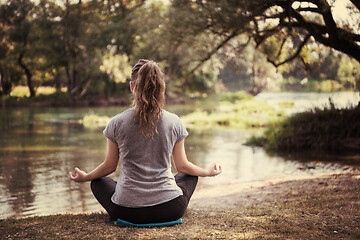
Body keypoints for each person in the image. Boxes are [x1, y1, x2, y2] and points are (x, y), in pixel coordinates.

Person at [69, 59, 222, 224]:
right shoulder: (174, 121)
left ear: (132, 86)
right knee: (190, 175)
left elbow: (109, 167)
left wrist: (86, 177)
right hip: (170, 209)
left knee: (98, 182)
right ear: (161, 88)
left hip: (126, 211)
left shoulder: (116, 122)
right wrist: (206, 172)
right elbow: (182, 166)